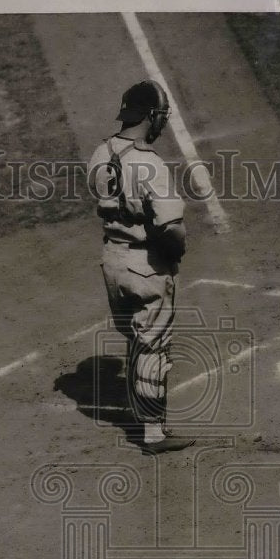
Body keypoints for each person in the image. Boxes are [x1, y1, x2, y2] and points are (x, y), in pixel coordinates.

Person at [88, 80, 194, 454]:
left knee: (136, 339)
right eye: (161, 116)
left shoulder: (100, 154)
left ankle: (143, 414)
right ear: (150, 116)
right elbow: (171, 228)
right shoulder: (149, 164)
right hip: (145, 264)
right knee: (154, 347)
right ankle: (153, 434)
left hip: (112, 261)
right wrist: (176, 252)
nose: (162, 122)